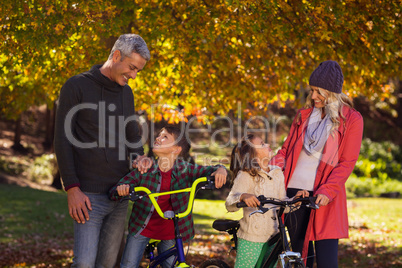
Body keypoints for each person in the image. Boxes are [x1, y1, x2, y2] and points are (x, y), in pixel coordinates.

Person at [54, 34, 151, 267]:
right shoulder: (76, 86)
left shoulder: (126, 93)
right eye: (131, 67)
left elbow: (132, 135)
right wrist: (72, 188)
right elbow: (62, 140)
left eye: (138, 70)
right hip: (87, 196)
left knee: (107, 264)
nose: (134, 75)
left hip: (119, 194)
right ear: (116, 56)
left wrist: (139, 158)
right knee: (84, 264)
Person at [269, 60, 364, 268]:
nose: (313, 97)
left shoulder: (352, 120)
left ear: (332, 92)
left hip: (323, 198)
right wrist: (272, 168)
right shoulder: (303, 116)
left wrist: (328, 190)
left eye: (319, 92)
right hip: (294, 194)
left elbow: (347, 162)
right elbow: (285, 150)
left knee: (326, 261)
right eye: (312, 91)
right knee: (299, 260)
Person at [109, 125, 228, 268]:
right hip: (143, 226)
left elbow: (210, 169)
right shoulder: (145, 168)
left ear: (176, 149)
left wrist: (221, 169)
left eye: (165, 137)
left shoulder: (185, 169)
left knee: (171, 265)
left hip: (171, 230)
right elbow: (115, 191)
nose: (158, 138)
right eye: (159, 135)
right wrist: (122, 189)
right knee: (128, 265)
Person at [225, 134, 308, 268]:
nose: (268, 145)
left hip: (274, 236)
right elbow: (229, 203)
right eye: (263, 144)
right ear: (252, 154)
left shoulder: (277, 173)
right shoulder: (246, 175)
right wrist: (242, 196)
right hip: (252, 237)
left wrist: (294, 200)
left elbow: (282, 203)